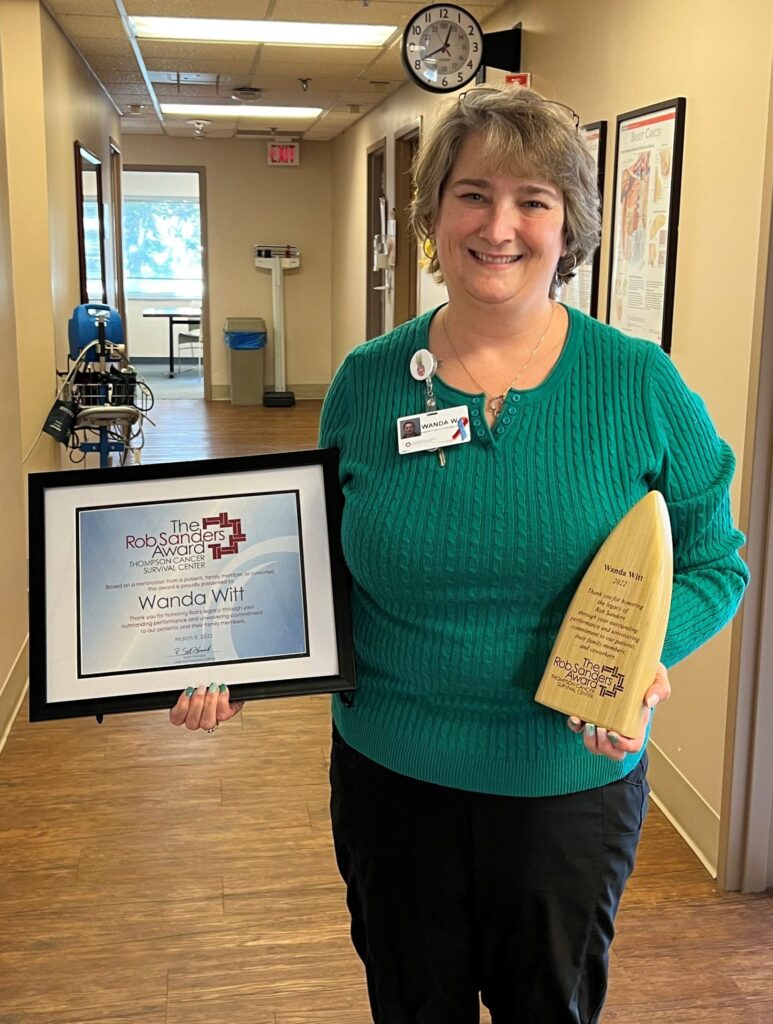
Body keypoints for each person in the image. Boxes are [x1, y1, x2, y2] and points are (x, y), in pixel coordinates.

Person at [170, 87, 749, 1023]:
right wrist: (233, 656)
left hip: (565, 786)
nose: (499, 226)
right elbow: (316, 566)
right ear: (433, 217)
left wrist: (639, 657)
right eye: (472, 194)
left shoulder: (639, 384)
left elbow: (716, 560)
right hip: (392, 783)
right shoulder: (363, 383)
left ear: (570, 226)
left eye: (533, 200)